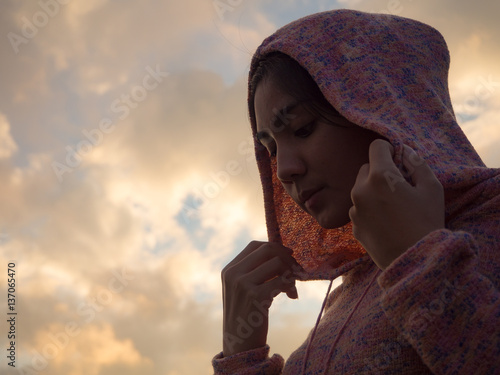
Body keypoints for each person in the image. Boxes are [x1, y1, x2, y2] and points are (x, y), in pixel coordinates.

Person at [212, 9, 500, 374]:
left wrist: (422, 264)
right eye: (270, 149)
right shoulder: (346, 296)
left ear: (385, 110)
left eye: (301, 128)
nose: (283, 169)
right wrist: (242, 354)